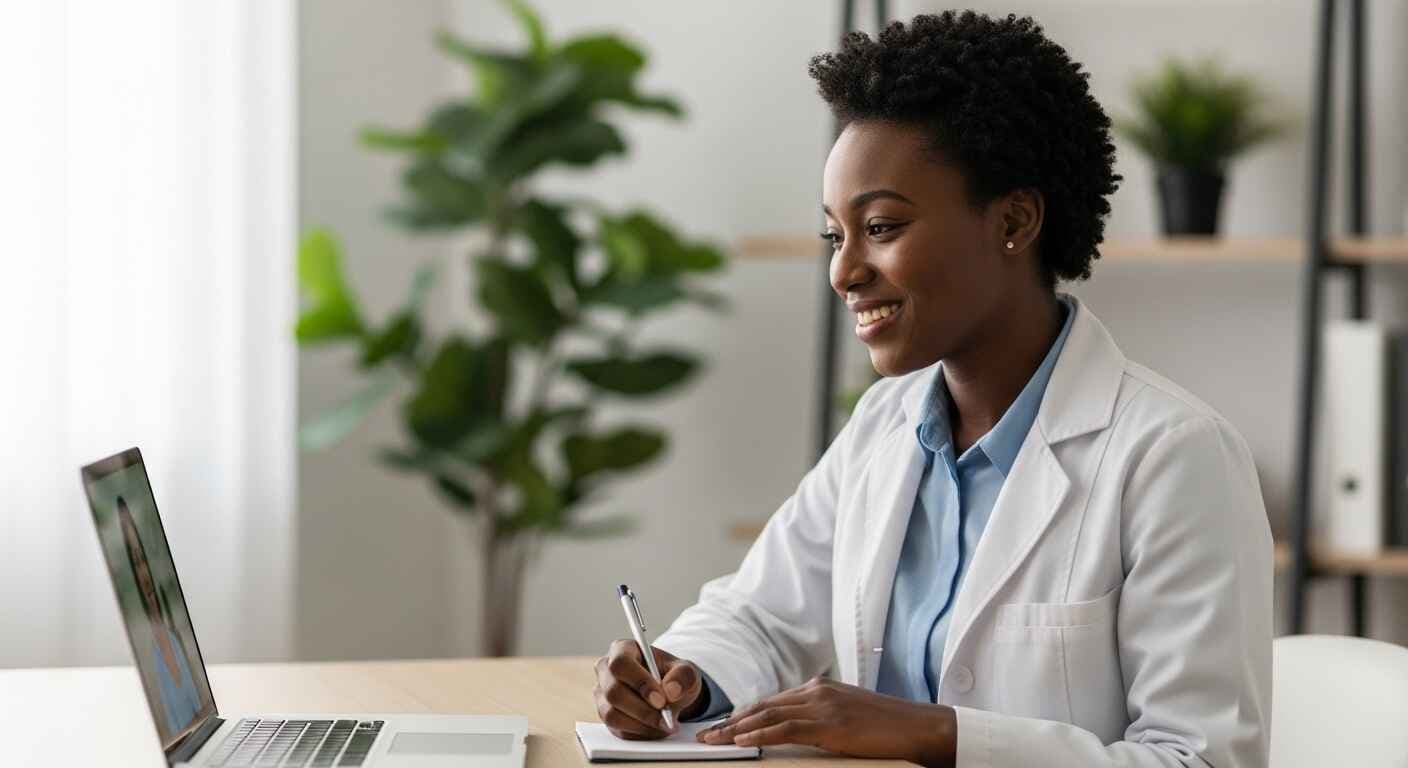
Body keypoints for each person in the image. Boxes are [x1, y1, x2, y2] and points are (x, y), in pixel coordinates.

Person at [592, 11, 1272, 768]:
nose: (843, 271)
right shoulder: (888, 423)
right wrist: (681, 676)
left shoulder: (1174, 458)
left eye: (880, 226)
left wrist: (939, 733)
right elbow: (761, 614)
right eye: (834, 235)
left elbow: (1201, 760)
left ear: (1014, 220)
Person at [116, 495, 204, 736]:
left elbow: (202, 713)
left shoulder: (176, 638)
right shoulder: (150, 657)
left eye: (142, 557)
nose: (143, 571)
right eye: (135, 561)